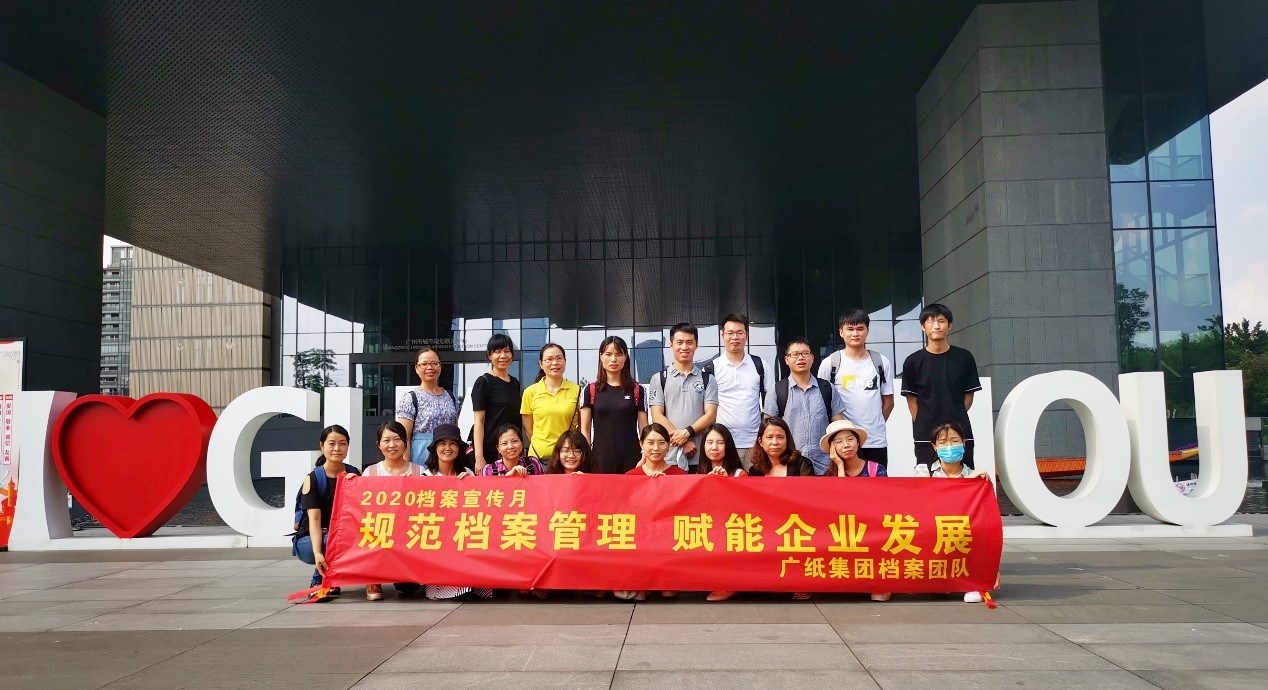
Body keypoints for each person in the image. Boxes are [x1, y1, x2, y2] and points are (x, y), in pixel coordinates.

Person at [915, 421, 996, 603]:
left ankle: (975, 582)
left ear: (964, 444)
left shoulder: (975, 476)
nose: (949, 447)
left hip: (961, 531)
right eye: (943, 442)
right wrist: (965, 484)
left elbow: (984, 515)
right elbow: (922, 503)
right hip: (932, 529)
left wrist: (977, 483)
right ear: (935, 447)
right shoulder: (923, 471)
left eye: (954, 441)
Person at [901, 303, 982, 471]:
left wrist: (954, 417)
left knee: (964, 477)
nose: (936, 326)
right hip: (925, 436)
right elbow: (912, 403)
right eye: (930, 321)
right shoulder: (912, 362)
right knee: (927, 479)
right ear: (922, 326)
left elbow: (968, 397)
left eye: (941, 321)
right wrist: (925, 423)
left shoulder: (964, 358)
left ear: (949, 325)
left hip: (959, 433)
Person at [819, 419, 890, 602]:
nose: (846, 445)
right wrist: (840, 467)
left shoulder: (876, 469)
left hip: (872, 525)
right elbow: (839, 505)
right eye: (839, 442)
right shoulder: (829, 476)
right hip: (843, 528)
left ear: (858, 442)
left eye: (850, 439)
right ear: (832, 448)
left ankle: (879, 583)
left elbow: (883, 502)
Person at [418, 424, 490, 600]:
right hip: (438, 540)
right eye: (442, 443)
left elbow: (480, 509)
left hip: (463, 536)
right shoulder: (425, 478)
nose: (448, 448)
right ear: (435, 448)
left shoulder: (468, 474)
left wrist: (471, 485)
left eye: (453, 443)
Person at [616, 423, 686, 602]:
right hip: (639, 535)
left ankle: (667, 582)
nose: (656, 448)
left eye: (661, 443)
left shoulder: (680, 475)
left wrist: (666, 487)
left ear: (668, 445)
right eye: (650, 443)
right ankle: (641, 583)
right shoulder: (631, 476)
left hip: (670, 534)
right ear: (641, 444)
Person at [292, 425, 361, 602]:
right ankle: (318, 582)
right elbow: (314, 520)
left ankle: (334, 581)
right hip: (311, 541)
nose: (337, 448)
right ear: (322, 446)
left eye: (342, 443)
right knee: (331, 540)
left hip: (341, 538)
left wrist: (356, 486)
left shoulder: (354, 473)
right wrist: (317, 553)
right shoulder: (314, 479)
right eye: (331, 444)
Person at [818, 309, 895, 466]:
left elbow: (888, 402)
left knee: (876, 481)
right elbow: (822, 403)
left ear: (867, 331)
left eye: (860, 329)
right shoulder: (830, 363)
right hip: (843, 443)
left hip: (875, 441)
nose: (855, 334)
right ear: (841, 332)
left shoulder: (881, 362)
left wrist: (875, 425)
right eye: (850, 329)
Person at [360, 421, 424, 600]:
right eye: (386, 440)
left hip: (409, 532)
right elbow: (362, 508)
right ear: (378, 444)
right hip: (380, 530)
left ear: (405, 443)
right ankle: (372, 578)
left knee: (408, 588)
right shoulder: (370, 472)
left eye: (397, 439)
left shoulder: (420, 471)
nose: (392, 445)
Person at [765, 337, 846, 475]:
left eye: (805, 353)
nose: (801, 358)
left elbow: (839, 428)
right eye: (795, 354)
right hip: (790, 465)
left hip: (824, 465)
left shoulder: (827, 388)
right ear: (786, 360)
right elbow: (768, 429)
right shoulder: (777, 390)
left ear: (812, 358)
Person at [648, 323, 718, 472]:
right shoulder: (659, 378)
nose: (684, 347)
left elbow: (711, 415)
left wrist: (688, 432)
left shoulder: (708, 379)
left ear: (696, 345)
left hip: (700, 456)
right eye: (679, 342)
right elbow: (657, 416)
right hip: (668, 458)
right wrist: (683, 441)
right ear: (671, 344)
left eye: (689, 342)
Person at [706, 314, 769, 468]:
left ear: (747, 335)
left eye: (739, 333)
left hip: (754, 444)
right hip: (724, 445)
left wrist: (764, 439)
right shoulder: (711, 368)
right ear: (722, 335)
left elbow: (770, 405)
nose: (735, 337)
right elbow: (706, 410)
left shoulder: (760, 365)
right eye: (730, 333)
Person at [579, 336, 648, 474]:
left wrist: (645, 455)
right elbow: (585, 430)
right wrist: (586, 459)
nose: (613, 359)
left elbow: (644, 429)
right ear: (601, 356)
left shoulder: (637, 390)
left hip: (632, 459)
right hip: (600, 459)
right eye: (608, 354)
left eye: (619, 354)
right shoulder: (590, 390)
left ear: (625, 357)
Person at [698, 423, 746, 603]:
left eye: (720, 442)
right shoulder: (699, 474)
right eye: (709, 442)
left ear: (728, 446)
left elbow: (745, 508)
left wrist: (726, 484)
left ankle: (728, 584)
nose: (714, 447)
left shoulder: (739, 474)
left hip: (731, 529)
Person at [395, 347, 459, 466]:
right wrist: (407, 467)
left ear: (440, 366)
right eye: (424, 364)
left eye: (434, 363)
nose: (430, 367)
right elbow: (405, 437)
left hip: (448, 456)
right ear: (416, 368)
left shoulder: (451, 397)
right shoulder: (410, 398)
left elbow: (454, 431)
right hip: (422, 456)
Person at [471, 334, 522, 472]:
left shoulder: (515, 383)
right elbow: (479, 422)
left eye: (507, 351)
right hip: (491, 451)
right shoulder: (483, 382)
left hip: (512, 451)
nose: (503, 356)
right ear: (489, 355)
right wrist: (479, 457)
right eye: (497, 351)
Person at [520, 343, 582, 458]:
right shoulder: (530, 392)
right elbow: (528, 429)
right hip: (538, 457)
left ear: (565, 361)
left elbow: (582, 427)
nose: (555, 363)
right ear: (541, 364)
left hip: (568, 456)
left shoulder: (577, 391)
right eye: (549, 359)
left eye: (559, 358)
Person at [746, 417, 817, 478]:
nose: (775, 442)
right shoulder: (755, 471)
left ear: (787, 440)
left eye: (780, 437)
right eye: (769, 437)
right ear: (760, 441)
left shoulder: (802, 464)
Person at [480, 424, 545, 476]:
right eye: (504, 443)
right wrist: (509, 476)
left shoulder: (533, 463)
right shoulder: (488, 470)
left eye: (514, 441)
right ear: (498, 448)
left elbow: (542, 485)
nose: (510, 446)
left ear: (522, 443)